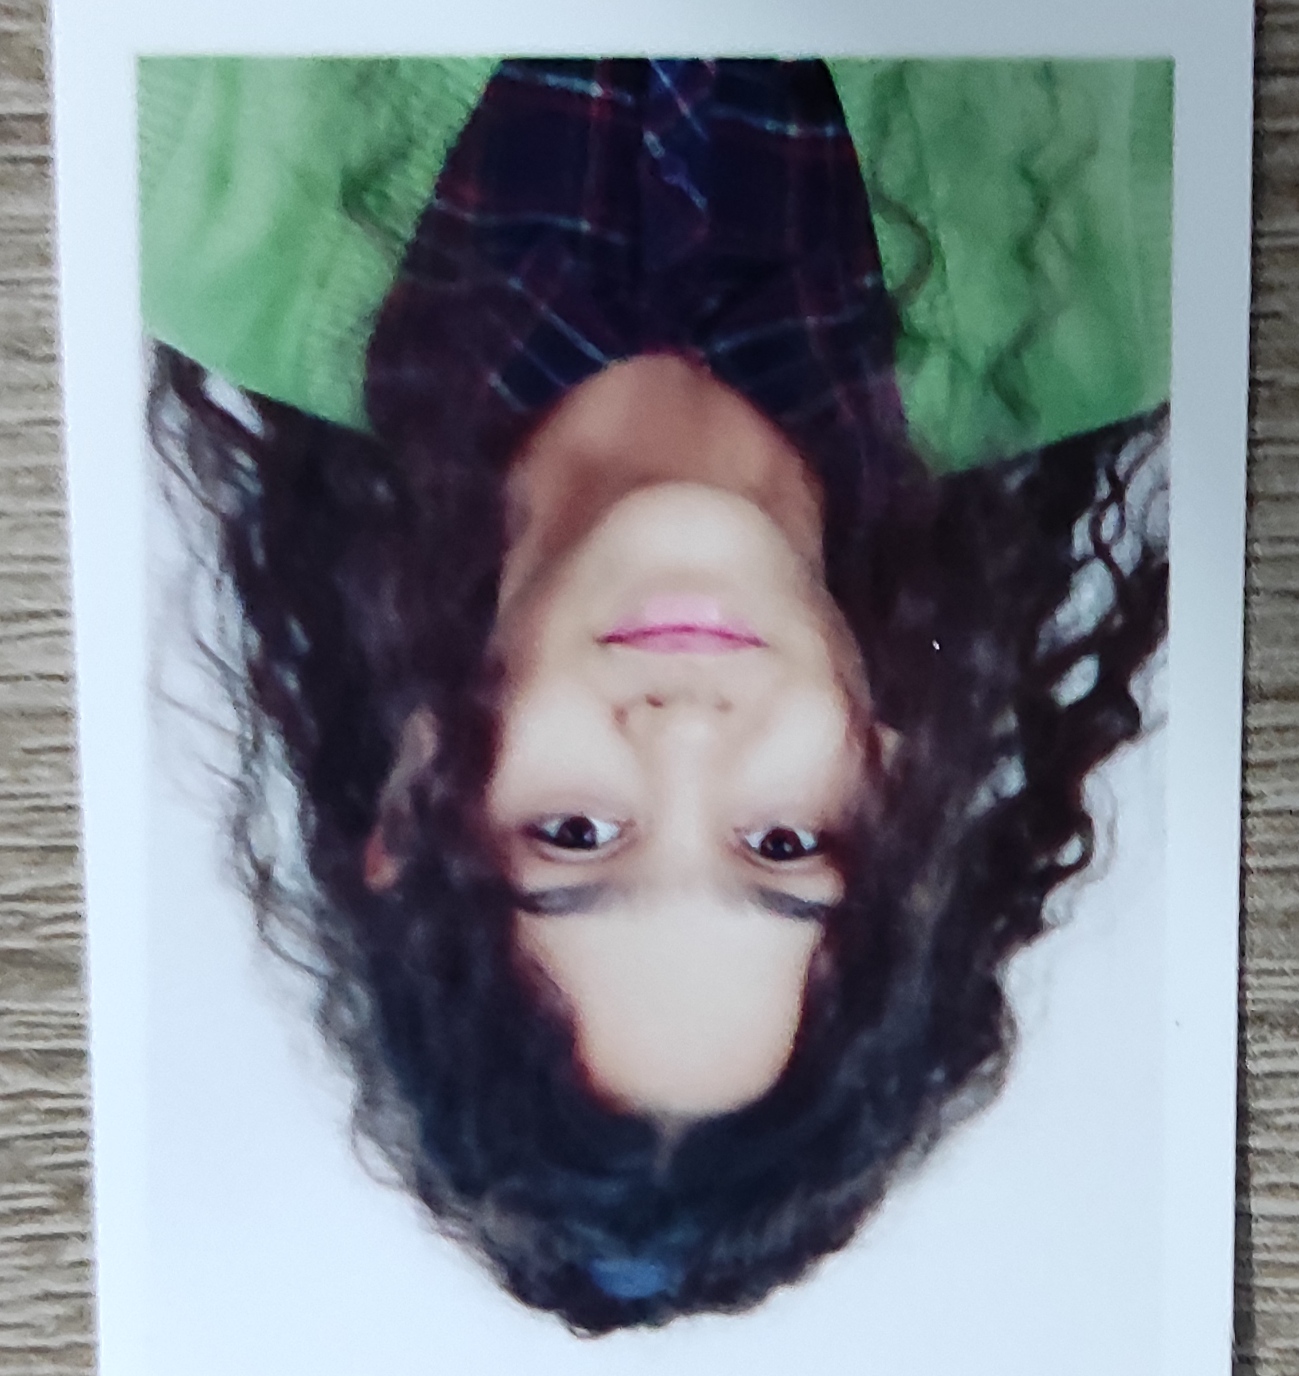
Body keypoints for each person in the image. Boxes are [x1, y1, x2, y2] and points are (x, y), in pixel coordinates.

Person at [147, 57, 1169, 1333]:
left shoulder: (177, 197)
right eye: (780, 842)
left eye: (577, 830)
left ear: (413, 801)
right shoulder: (1139, 260)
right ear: (897, 789)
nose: (684, 733)